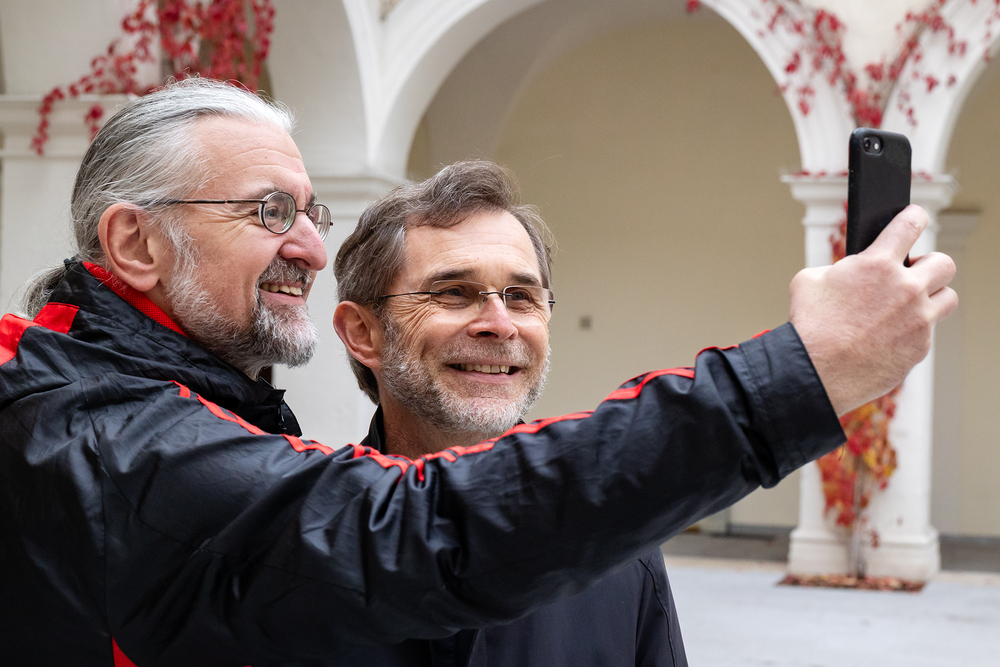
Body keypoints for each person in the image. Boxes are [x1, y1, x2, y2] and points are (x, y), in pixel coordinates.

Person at [0, 78, 955, 666]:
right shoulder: (95, 434)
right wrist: (800, 373)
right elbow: (419, 532)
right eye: (266, 212)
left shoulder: (190, 421)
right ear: (136, 242)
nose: (307, 245)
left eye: (309, 214)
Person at [331, 160, 686, 666]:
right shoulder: (305, 545)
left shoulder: (616, 545)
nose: (500, 324)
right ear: (363, 333)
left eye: (521, 297)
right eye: (454, 292)